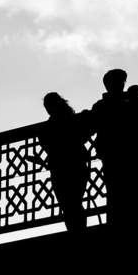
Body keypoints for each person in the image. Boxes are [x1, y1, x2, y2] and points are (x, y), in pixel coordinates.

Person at [91, 69, 138, 229]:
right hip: (124, 154)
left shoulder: (107, 105)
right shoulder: (107, 105)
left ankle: (125, 217)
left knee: (125, 190)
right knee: (121, 190)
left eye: (122, 81)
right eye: (119, 81)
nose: (122, 85)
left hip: (125, 154)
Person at [37, 92, 94, 234]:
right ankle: (79, 231)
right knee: (73, 203)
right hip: (76, 165)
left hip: (61, 168)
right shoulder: (73, 120)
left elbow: (46, 144)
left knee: (69, 204)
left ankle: (75, 232)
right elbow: (86, 132)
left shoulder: (48, 127)